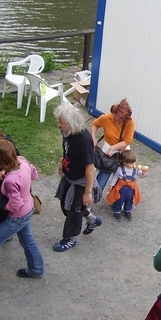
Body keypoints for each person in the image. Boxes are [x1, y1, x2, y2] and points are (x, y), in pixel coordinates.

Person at [0, 140, 44, 289]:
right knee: (27, 240)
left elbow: (15, 206)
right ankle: (36, 269)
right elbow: (34, 173)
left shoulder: (10, 180)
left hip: (18, 216)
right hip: (29, 208)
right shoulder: (22, 161)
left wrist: (2, 205)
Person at [54, 104, 103, 252]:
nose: (59, 125)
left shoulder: (84, 140)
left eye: (62, 122)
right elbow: (67, 150)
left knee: (73, 211)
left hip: (80, 182)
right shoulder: (68, 134)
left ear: (71, 123)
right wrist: (62, 163)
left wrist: (87, 192)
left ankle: (70, 239)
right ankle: (92, 219)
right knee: (65, 206)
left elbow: (90, 167)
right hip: (69, 177)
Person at [91, 98, 135, 189]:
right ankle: (94, 194)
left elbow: (127, 141)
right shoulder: (107, 118)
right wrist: (93, 137)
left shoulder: (130, 122)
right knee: (102, 179)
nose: (122, 121)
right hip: (108, 151)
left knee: (123, 180)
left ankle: (116, 199)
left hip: (124, 152)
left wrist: (113, 148)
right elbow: (95, 124)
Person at [105, 149, 147, 222]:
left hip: (131, 189)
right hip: (121, 189)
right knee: (119, 199)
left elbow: (141, 176)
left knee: (129, 200)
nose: (133, 164)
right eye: (131, 163)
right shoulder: (120, 169)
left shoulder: (136, 169)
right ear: (124, 163)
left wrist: (143, 174)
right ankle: (117, 211)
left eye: (134, 162)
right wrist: (111, 185)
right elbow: (115, 177)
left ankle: (127, 210)